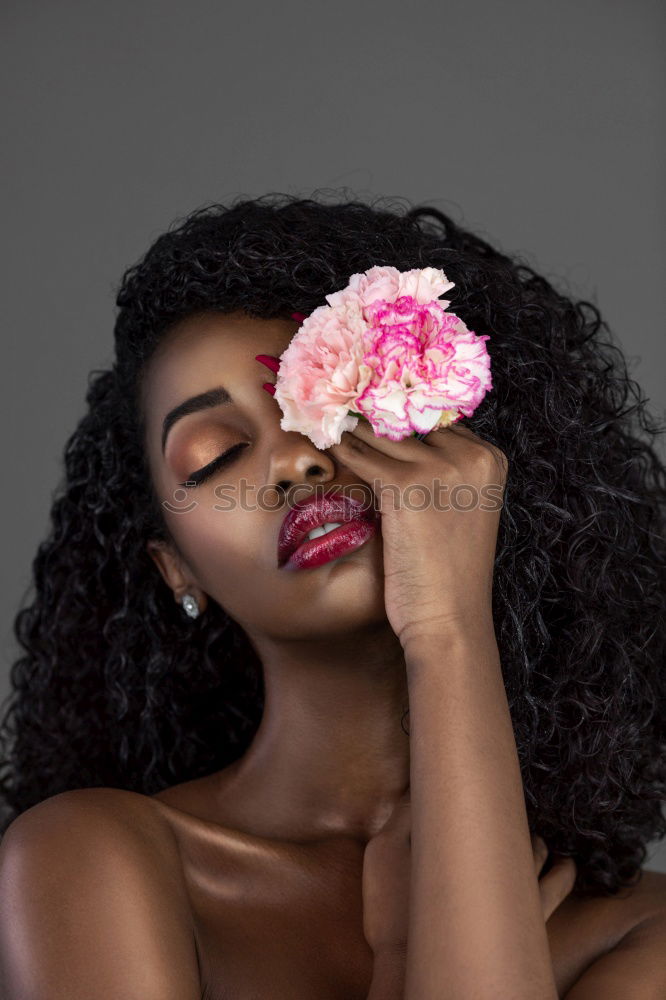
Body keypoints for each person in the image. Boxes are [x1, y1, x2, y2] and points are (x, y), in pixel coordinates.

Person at [0, 192, 665, 998]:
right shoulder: (90, 859)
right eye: (214, 456)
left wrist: (446, 627)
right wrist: (399, 964)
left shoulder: (638, 932)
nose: (295, 461)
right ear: (178, 570)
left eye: (328, 402)